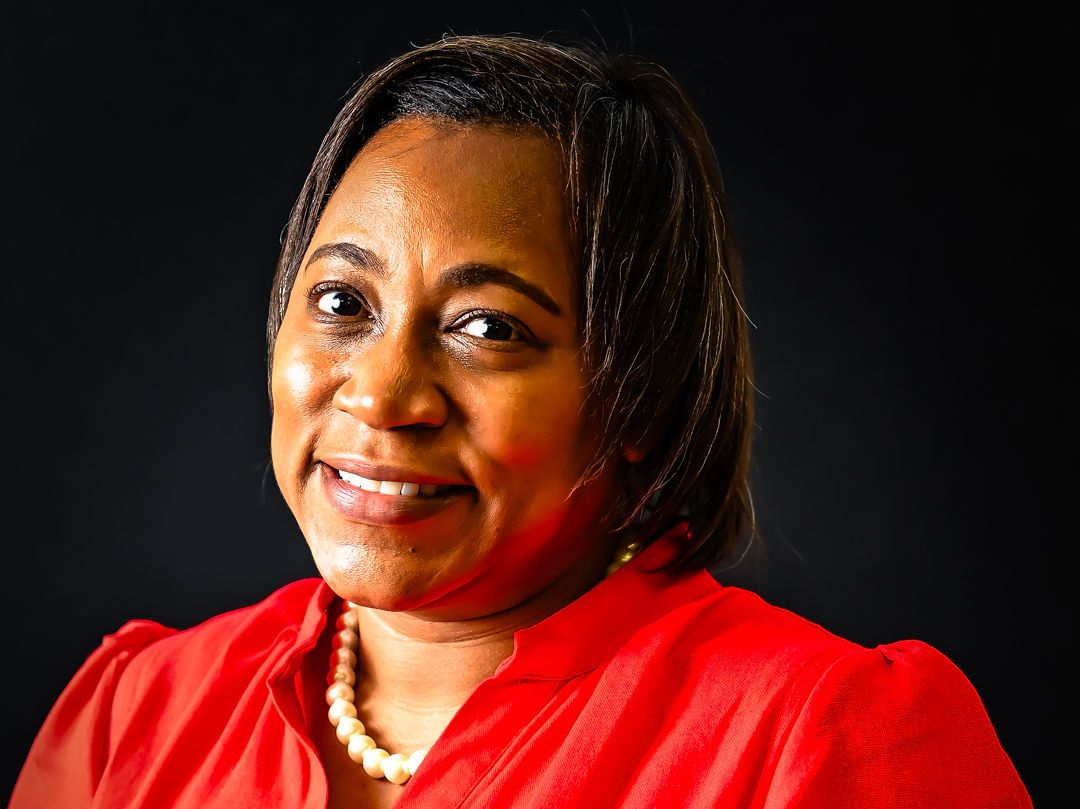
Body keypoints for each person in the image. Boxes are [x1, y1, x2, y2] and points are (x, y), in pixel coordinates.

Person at [9, 34, 1031, 809]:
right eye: (342, 302)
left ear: (643, 394)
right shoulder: (132, 713)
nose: (382, 395)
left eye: (488, 327)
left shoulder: (826, 738)